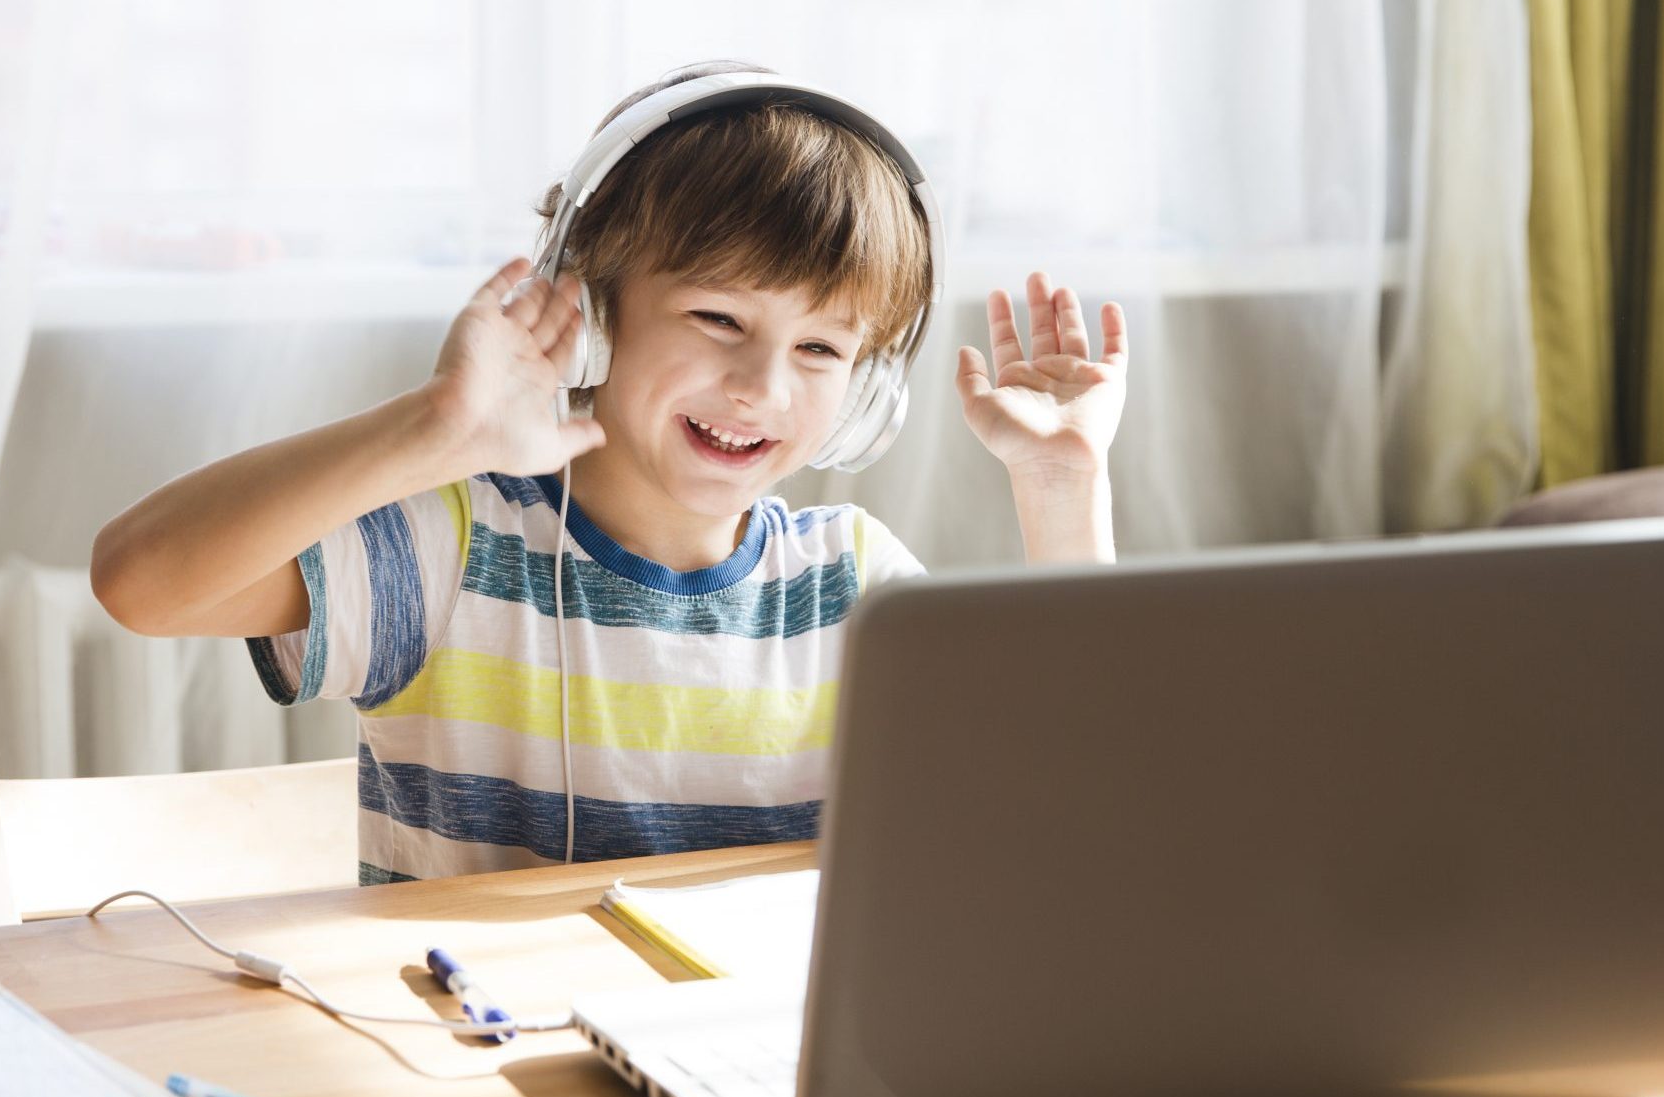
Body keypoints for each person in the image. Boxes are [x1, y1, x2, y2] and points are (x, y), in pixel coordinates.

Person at [90, 61, 1131, 883]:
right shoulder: (456, 551)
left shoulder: (853, 585)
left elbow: (1075, 788)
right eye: (718, 319)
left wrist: (1060, 488)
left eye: (821, 349)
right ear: (592, 318)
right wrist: (434, 427)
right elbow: (140, 580)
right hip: (485, 1076)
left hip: (758, 1074)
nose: (761, 387)